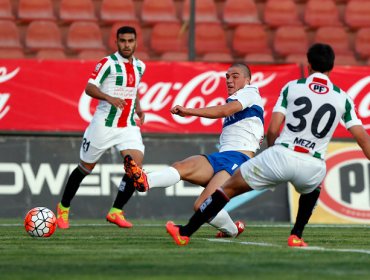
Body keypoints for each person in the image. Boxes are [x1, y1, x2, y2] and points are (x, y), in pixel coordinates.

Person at [162, 43, 370, 246]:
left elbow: (273, 129)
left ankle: (185, 232)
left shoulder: (292, 87)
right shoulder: (343, 98)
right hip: (313, 163)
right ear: (332, 67)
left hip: (283, 154)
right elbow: (362, 138)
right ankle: (296, 235)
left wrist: (272, 156)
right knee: (313, 188)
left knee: (228, 188)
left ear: (308, 65)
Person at [124, 62, 265, 237]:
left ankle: (233, 230)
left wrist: (189, 111)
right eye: (227, 77)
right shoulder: (240, 99)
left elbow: (225, 110)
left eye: (235, 76)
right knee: (181, 166)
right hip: (222, 157)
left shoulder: (250, 92)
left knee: (203, 205)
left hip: (239, 159)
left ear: (248, 80)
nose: (229, 80)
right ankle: (145, 181)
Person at [56, 26, 146, 229]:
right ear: (116, 42)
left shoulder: (140, 66)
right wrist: (108, 97)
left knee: (136, 165)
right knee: (84, 169)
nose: (126, 45)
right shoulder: (107, 63)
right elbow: (89, 87)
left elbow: (134, 89)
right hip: (103, 125)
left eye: (130, 41)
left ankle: (116, 211)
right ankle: (63, 208)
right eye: (122, 41)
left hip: (127, 125)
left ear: (136, 42)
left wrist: (139, 108)